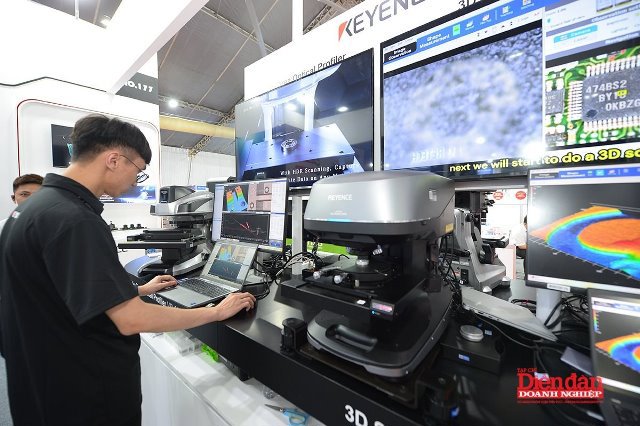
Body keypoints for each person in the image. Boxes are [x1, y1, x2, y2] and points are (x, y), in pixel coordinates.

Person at [0, 114, 256, 426]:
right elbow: (131, 319)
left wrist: (138, 289)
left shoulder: (31, 209)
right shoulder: (74, 220)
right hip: (85, 397)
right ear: (114, 160)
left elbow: (55, 290)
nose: (136, 182)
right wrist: (215, 312)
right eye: (138, 171)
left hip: (41, 386)